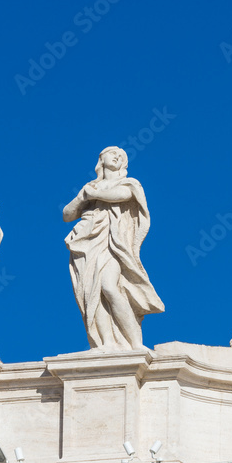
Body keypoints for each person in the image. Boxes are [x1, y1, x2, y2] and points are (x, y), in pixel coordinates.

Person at [63, 146, 164, 350]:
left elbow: (120, 195)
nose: (117, 156)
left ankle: (135, 343)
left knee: (109, 286)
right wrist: (84, 196)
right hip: (87, 242)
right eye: (112, 152)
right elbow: (67, 214)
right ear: (101, 159)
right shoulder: (90, 187)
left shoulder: (129, 183)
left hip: (113, 243)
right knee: (93, 291)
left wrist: (93, 193)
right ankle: (106, 342)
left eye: (122, 156)